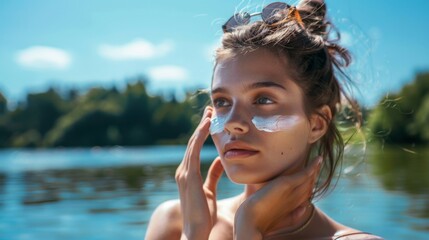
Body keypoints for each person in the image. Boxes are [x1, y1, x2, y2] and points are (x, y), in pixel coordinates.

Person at [146, 0, 383, 239]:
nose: (231, 122)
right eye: (222, 101)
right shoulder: (175, 222)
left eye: (263, 100)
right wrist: (194, 232)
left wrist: (248, 226)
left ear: (316, 124)